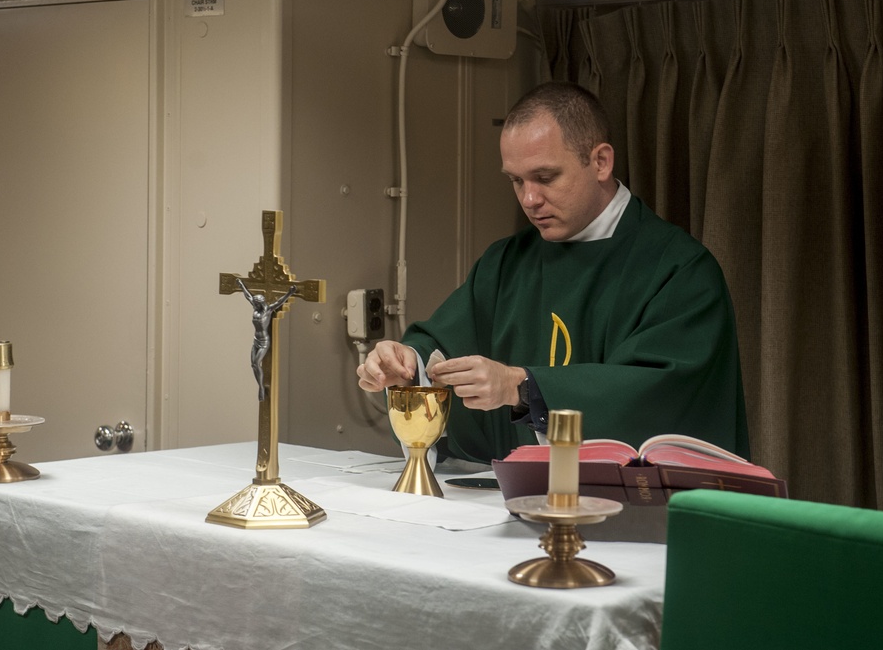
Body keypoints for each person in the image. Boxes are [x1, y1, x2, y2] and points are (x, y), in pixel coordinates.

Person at [357, 81, 749, 464]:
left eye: (545, 178)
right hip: (509, 511)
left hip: (632, 519)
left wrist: (522, 386)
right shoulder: (507, 263)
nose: (529, 199)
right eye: (516, 180)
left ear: (600, 162)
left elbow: (662, 397)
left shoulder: (679, 270)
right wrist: (408, 365)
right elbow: (444, 346)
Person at [238, 279, 296, 402]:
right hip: (256, 340)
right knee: (253, 364)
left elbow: (280, 301)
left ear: (260, 303)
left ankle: (261, 388)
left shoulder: (268, 310)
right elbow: (248, 296)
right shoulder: (255, 308)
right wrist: (241, 285)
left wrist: (290, 293)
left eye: (256, 303)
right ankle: (260, 385)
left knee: (257, 362)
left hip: (264, 342)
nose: (254, 304)